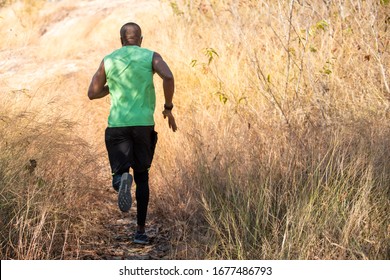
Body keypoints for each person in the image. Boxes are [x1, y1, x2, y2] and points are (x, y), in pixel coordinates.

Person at [87, 22, 177, 245]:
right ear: (141, 39)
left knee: (119, 173)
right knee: (143, 176)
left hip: (118, 125)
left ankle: (120, 181)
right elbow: (168, 76)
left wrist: (114, 86)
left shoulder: (109, 60)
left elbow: (92, 93)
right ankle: (140, 232)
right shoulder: (151, 56)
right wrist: (168, 107)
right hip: (143, 126)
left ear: (121, 41)